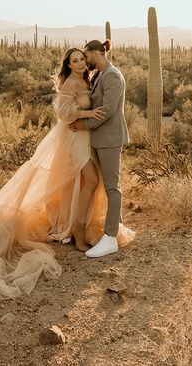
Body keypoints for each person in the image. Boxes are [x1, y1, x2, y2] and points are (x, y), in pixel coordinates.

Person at [0, 47, 135, 310]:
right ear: (68, 64)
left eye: (83, 59)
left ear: (90, 59)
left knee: (85, 183)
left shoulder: (90, 79)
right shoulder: (72, 83)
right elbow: (64, 113)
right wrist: (86, 115)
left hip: (86, 138)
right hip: (75, 137)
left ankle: (74, 224)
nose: (80, 63)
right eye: (75, 60)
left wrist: (88, 118)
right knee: (92, 180)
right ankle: (77, 228)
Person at [69, 39, 129, 258]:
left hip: (110, 139)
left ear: (96, 53)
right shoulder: (100, 75)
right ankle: (118, 228)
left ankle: (111, 238)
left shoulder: (113, 75)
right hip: (99, 139)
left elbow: (108, 110)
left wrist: (84, 124)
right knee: (106, 186)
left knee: (113, 188)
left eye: (87, 56)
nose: (85, 60)